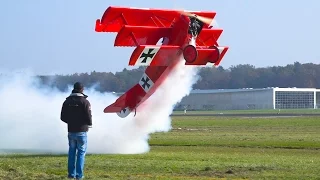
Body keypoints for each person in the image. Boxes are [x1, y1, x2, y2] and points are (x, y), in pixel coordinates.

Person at [60, 82, 92, 180]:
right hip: (82, 131)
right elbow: (88, 116)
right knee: (81, 153)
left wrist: (71, 122)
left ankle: (71, 175)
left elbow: (62, 117)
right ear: (82, 89)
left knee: (72, 153)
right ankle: (79, 176)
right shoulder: (85, 102)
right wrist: (88, 124)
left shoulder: (67, 101)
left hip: (71, 130)